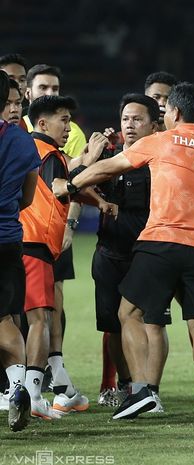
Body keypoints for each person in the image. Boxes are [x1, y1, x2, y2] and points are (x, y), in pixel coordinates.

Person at [53, 82, 194, 420]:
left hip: (161, 242)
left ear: (176, 113)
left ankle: (141, 391)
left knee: (129, 314)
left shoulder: (160, 141)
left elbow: (110, 167)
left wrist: (71, 185)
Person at [21, 95, 108, 418]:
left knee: (12, 320)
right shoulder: (47, 152)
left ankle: (33, 389)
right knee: (39, 320)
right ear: (42, 123)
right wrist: (92, 161)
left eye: (69, 120)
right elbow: (60, 188)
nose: (69, 127)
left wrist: (84, 166)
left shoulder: (26, 147)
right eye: (63, 120)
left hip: (15, 240)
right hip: (35, 243)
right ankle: (32, 396)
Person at [91, 94, 160, 408]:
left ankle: (145, 389)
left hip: (142, 257)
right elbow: (73, 185)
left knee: (141, 321)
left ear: (152, 124)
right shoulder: (106, 155)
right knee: (112, 327)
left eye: (137, 119)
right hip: (107, 253)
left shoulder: (159, 160)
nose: (130, 125)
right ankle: (126, 385)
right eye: (126, 119)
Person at [0, 70, 40, 432]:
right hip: (9, 240)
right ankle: (17, 388)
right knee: (8, 318)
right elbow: (27, 197)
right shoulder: (23, 141)